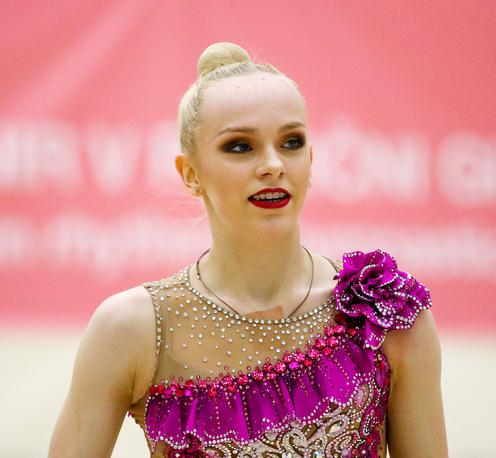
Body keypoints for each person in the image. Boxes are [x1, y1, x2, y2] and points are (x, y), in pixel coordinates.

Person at [49, 42, 447, 458]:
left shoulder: (385, 314)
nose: (273, 164)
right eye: (240, 146)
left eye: (291, 143)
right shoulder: (131, 328)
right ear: (190, 174)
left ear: (310, 159)